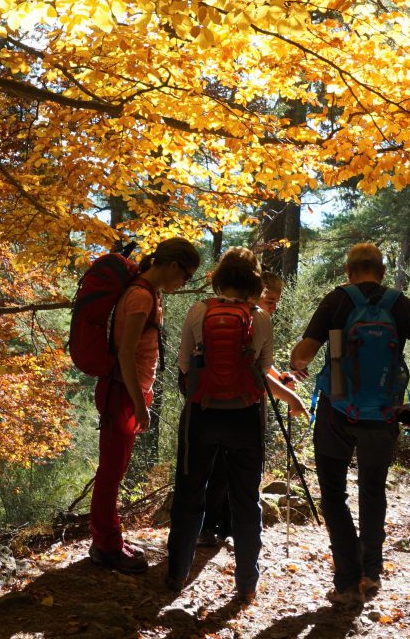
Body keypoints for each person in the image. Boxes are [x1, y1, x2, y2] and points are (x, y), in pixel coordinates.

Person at [290, 242, 410, 606]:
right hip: (385, 414)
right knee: (373, 491)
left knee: (334, 493)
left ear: (349, 272)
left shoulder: (336, 301)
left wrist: (301, 364)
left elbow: (302, 355)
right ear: (382, 271)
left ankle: (346, 580)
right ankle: (371, 573)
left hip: (337, 412)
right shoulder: (400, 305)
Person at [165, 248, 273, 601]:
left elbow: (183, 364)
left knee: (189, 496)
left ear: (220, 278)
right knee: (245, 500)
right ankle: (246, 585)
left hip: (202, 414)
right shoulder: (260, 318)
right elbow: (264, 369)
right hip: (244, 417)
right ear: (254, 282)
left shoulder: (199, 311)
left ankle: (176, 576)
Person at [90, 237, 201, 573]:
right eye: (185, 275)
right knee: (111, 471)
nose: (184, 283)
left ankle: (109, 536)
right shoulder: (140, 297)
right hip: (123, 393)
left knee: (115, 468)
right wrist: (140, 405)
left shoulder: (147, 293)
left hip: (128, 392)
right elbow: (125, 353)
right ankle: (105, 546)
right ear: (170, 265)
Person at [198, 269, 307, 548]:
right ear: (256, 294)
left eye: (277, 300)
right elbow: (256, 369)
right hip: (238, 406)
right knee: (227, 469)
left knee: (226, 468)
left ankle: (220, 526)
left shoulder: (252, 319)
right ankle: (215, 526)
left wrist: (281, 377)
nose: (274, 305)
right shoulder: (252, 319)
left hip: (222, 403)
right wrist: (289, 397)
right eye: (270, 299)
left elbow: (264, 368)